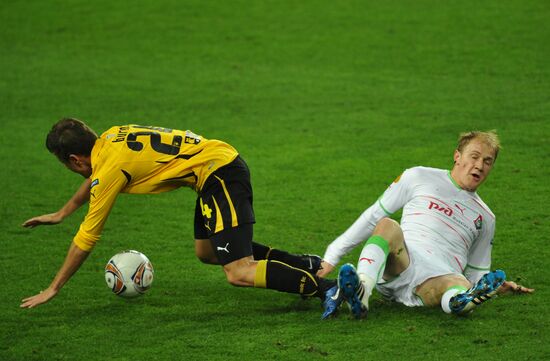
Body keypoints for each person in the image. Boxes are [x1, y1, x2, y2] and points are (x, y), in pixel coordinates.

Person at [21, 118, 337, 309]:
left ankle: (325, 288)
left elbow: (86, 239)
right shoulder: (111, 138)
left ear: (75, 160)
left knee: (238, 272)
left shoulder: (108, 170)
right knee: (208, 252)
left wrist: (54, 287)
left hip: (220, 174)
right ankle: (306, 263)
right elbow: (96, 177)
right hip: (213, 170)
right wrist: (64, 212)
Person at [318, 130, 534, 319]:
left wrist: (493, 288)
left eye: (487, 161)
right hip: (403, 262)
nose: (479, 165)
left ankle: (460, 302)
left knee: (459, 283)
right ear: (457, 156)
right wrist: (333, 254)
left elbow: (477, 273)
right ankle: (362, 292)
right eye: (474, 157)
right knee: (387, 225)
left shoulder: (486, 218)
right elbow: (373, 216)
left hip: (435, 282)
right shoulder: (418, 176)